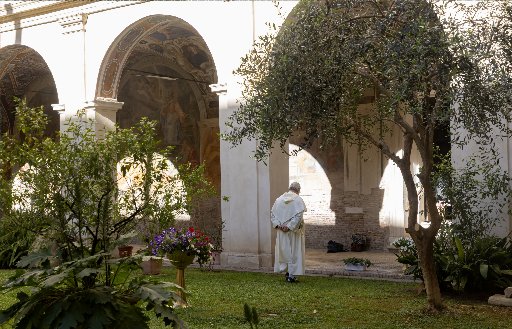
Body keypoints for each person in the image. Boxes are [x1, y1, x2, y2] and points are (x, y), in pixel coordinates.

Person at [271, 182, 306, 283]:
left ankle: (288, 273)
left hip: (281, 231)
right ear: (298, 190)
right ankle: (291, 275)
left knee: (284, 252)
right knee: (293, 252)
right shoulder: (298, 199)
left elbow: (272, 214)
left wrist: (278, 225)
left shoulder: (279, 199)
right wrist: (289, 226)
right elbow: (299, 216)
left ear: (289, 188)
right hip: (293, 232)